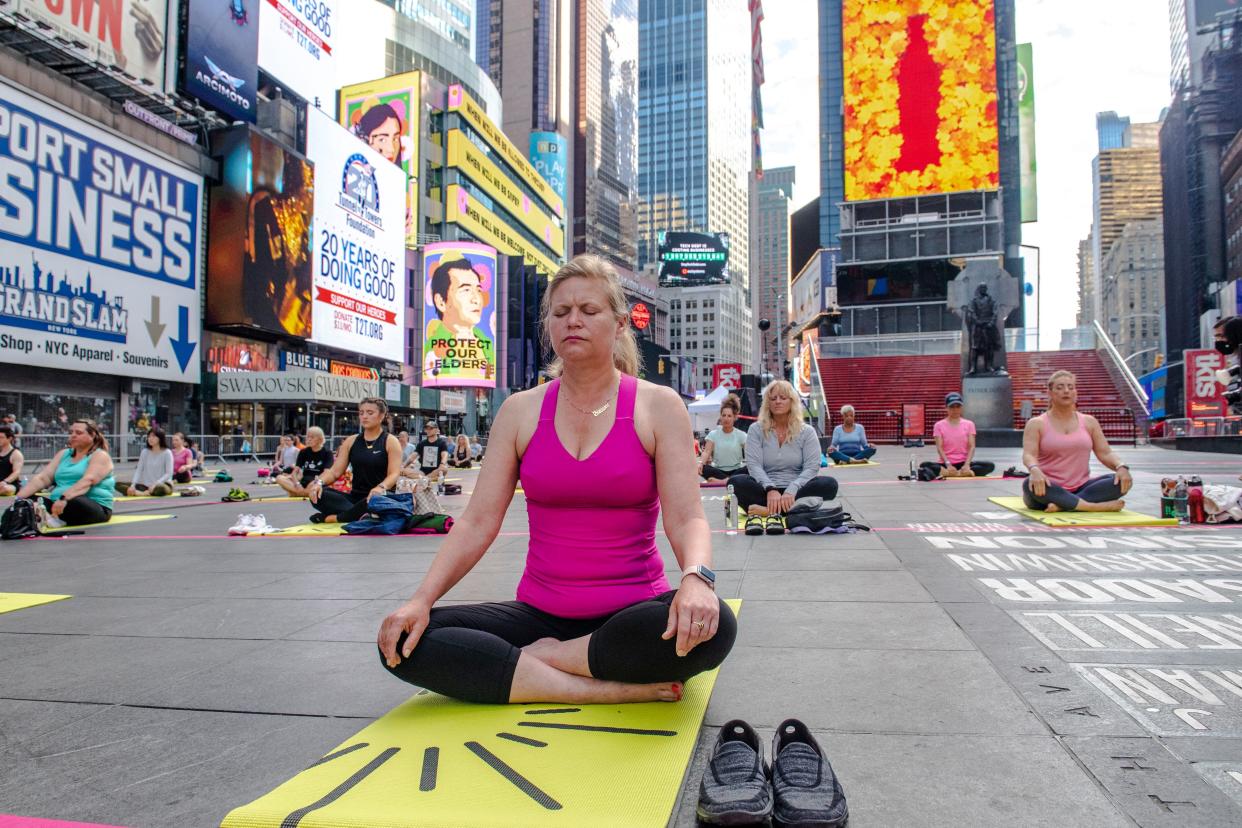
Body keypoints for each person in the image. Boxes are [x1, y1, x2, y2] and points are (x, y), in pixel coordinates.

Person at [377, 254, 736, 705]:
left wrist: (696, 580)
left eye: (589, 311)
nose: (574, 321)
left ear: (620, 324)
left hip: (631, 616)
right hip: (538, 615)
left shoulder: (657, 405)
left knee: (716, 625)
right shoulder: (520, 411)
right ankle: (596, 686)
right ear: (549, 325)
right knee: (405, 640)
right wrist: (420, 600)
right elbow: (477, 522)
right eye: (561, 312)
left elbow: (686, 518)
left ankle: (539, 664)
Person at [727, 381, 839, 533]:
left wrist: (792, 489)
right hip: (764, 490)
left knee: (829, 484)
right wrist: (770, 488)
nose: (777, 401)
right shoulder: (756, 429)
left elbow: (812, 466)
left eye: (783, 398)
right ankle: (792, 510)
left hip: (797, 490)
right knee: (735, 482)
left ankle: (769, 511)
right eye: (773, 399)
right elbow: (753, 465)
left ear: (792, 401)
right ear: (767, 403)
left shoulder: (807, 431)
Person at [1021, 370, 1133, 513]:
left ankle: (1064, 505)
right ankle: (1091, 506)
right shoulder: (1036, 423)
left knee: (1119, 480)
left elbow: (1105, 453)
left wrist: (1121, 467)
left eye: (1070, 387)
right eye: (1060, 387)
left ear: (1075, 392)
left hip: (1081, 486)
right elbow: (1029, 455)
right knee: (1028, 485)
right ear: (1050, 393)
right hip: (1048, 487)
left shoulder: (1089, 422)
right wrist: (1034, 470)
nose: (1066, 391)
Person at [308, 398, 403, 524]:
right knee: (321, 494)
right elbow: (335, 472)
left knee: (376, 501)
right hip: (355, 498)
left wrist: (380, 487)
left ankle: (333, 518)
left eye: (370, 413)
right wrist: (318, 483)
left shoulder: (390, 441)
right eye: (361, 412)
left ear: (381, 416)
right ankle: (360, 515)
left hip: (380, 496)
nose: (364, 416)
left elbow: (394, 474)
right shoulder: (351, 441)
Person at [16, 419, 115, 526]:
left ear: (92, 435)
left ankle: (51, 518)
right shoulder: (63, 454)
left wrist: (64, 498)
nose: (73, 435)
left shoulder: (100, 456)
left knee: (74, 501)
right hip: (59, 504)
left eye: (78, 433)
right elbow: (44, 478)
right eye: (71, 432)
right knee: (28, 501)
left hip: (92, 506)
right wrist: (19, 498)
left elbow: (88, 481)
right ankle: (51, 518)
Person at [423, 256, 495, 384]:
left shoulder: (486, 343)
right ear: (441, 302)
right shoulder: (434, 345)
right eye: (466, 290)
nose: (476, 299)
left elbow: (489, 375)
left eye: (478, 290)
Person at [920, 393, 995, 478]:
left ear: (961, 408)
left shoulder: (969, 424)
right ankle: (963, 473)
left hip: (963, 463)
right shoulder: (939, 425)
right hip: (946, 463)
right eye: (952, 407)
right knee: (924, 465)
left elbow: (972, 446)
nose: (955, 410)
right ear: (946, 408)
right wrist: (948, 464)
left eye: (958, 406)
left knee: (990, 465)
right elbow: (939, 447)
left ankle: (952, 473)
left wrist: (967, 464)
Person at [698, 394, 746, 480]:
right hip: (718, 470)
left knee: (749, 469)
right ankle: (730, 480)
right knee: (704, 468)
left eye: (729, 416)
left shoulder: (741, 435)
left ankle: (723, 481)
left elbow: (750, 454)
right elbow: (706, 452)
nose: (726, 419)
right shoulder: (713, 434)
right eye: (723, 415)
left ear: (735, 417)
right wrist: (700, 463)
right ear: (720, 416)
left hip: (736, 470)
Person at [276, 426, 334, 498]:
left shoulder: (327, 452)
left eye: (312, 437)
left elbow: (326, 473)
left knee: (313, 484)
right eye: (308, 437)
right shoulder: (303, 451)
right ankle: (304, 493)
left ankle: (298, 493)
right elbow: (294, 472)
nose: (309, 440)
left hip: (316, 482)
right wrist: (297, 483)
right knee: (279, 478)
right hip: (303, 482)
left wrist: (317, 482)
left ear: (320, 439)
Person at [115, 429, 174, 497]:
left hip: (162, 484)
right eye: (149, 436)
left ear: (160, 438)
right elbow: (139, 470)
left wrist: (156, 484)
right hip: (146, 486)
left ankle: (137, 493)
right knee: (117, 484)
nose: (150, 439)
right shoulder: (145, 452)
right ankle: (141, 493)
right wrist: (133, 485)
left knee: (161, 489)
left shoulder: (167, 452)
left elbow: (169, 473)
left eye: (153, 436)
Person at [0, 426, 25, 496]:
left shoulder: (16, 454)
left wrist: (5, 481)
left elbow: (16, 472)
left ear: (9, 439)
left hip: (9, 485)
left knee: (5, 489)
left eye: (1, 437)